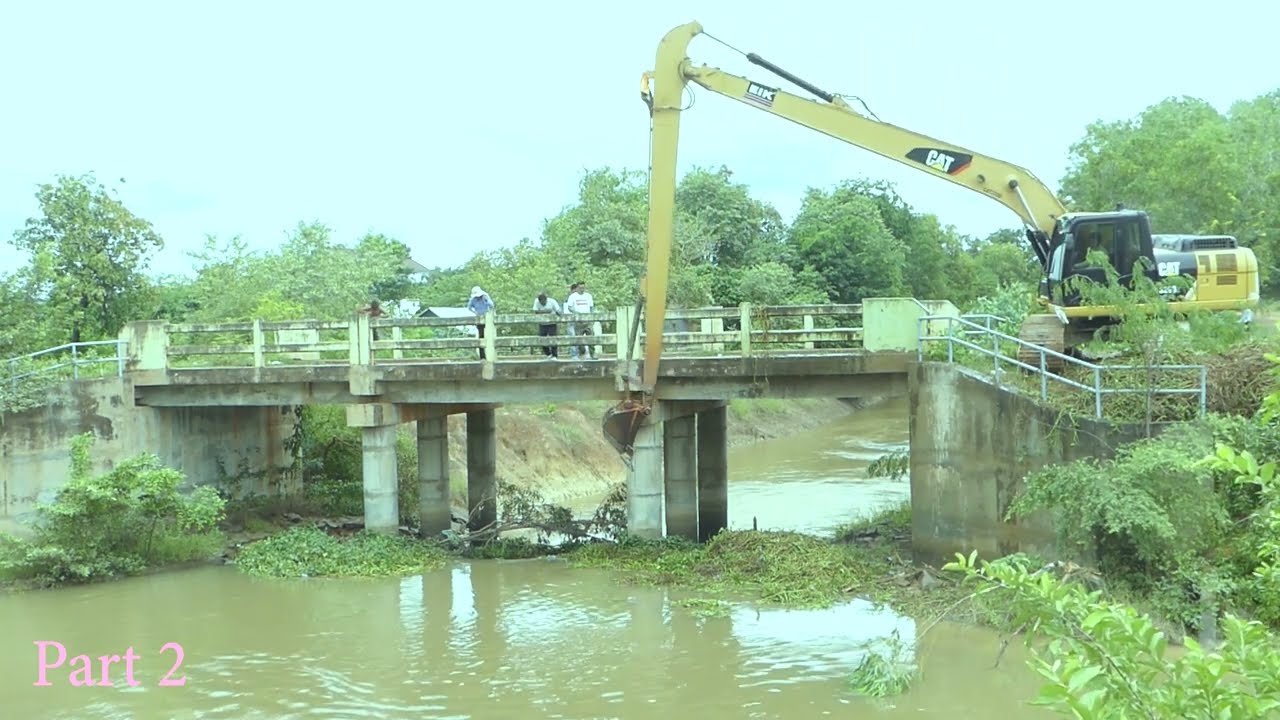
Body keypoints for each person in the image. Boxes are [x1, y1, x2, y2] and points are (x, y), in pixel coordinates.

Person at [565, 281, 595, 360]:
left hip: (587, 320)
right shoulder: (573, 296)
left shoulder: (588, 296)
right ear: (577, 288)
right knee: (579, 339)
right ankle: (581, 352)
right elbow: (570, 307)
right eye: (580, 288)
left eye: (583, 288)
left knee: (591, 338)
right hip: (578, 321)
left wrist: (592, 317)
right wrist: (577, 313)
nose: (582, 289)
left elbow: (591, 307)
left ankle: (592, 354)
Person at [532, 291, 561, 358]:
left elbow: (558, 310)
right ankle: (548, 353)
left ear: (546, 299)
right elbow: (535, 311)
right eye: (541, 303)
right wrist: (547, 311)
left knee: (553, 338)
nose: (542, 304)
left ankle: (554, 355)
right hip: (542, 323)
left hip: (552, 323)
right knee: (542, 339)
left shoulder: (552, 301)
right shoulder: (536, 302)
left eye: (544, 302)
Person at [467, 286, 494, 360]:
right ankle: (483, 357)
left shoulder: (485, 297)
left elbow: (491, 305)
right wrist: (475, 312)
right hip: (479, 319)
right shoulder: (473, 299)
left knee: (488, 336)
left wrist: (486, 300)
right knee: (481, 337)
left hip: (487, 319)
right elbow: (469, 307)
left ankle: (489, 355)